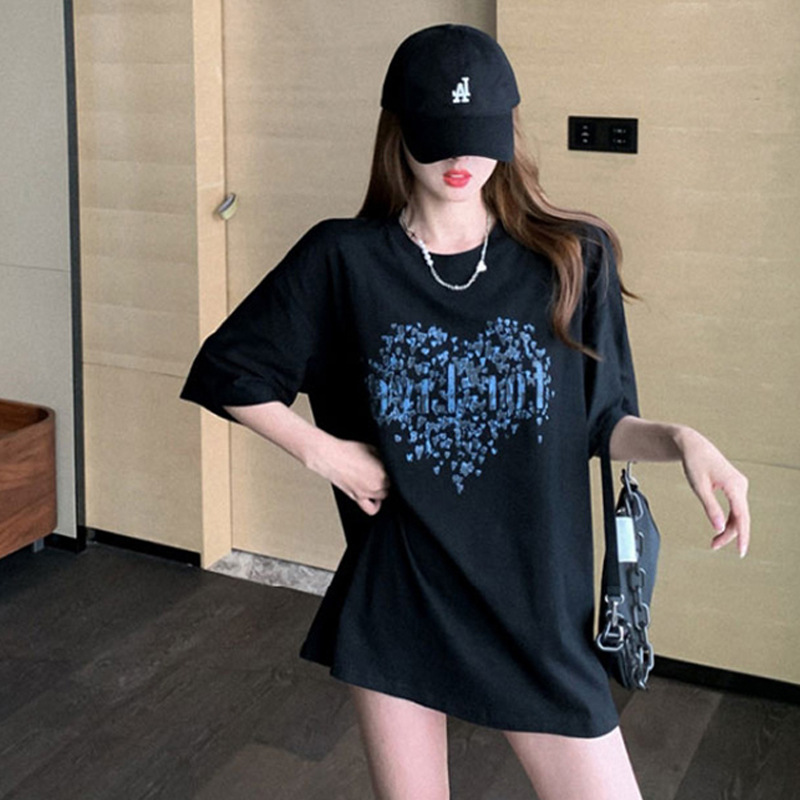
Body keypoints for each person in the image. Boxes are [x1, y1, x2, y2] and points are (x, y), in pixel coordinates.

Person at [179, 23, 750, 800]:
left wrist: (684, 440)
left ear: (507, 130)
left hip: (536, 604)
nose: (459, 159)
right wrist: (328, 454)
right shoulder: (344, 259)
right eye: (438, 135)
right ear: (398, 132)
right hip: (403, 590)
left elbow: (601, 422)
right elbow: (229, 369)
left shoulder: (571, 257)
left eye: (478, 136)